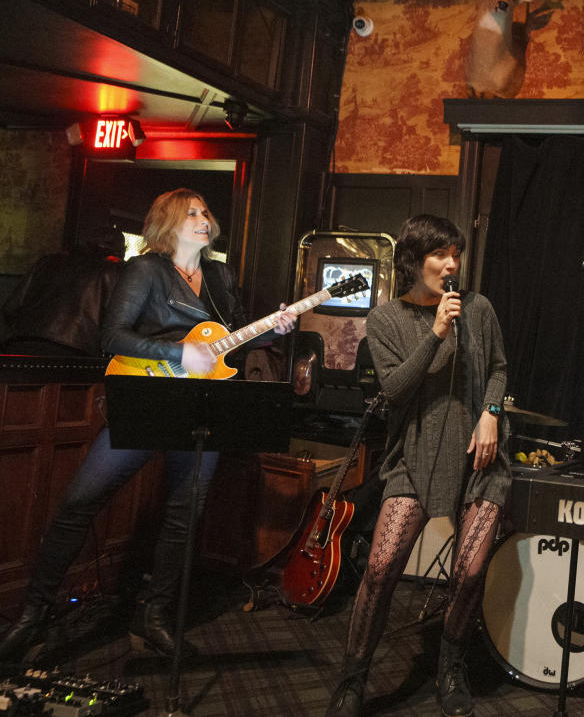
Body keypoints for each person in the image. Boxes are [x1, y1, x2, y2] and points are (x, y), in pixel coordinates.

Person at [0, 188, 296, 663]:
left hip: (202, 404)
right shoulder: (146, 270)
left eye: (205, 211)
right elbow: (112, 335)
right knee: (79, 503)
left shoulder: (221, 275)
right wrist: (178, 352)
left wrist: (272, 329)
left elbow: (227, 345)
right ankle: (32, 616)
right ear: (168, 223)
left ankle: (154, 617)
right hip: (147, 392)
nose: (203, 218)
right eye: (191, 212)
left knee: (186, 514)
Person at [324, 214, 508, 717]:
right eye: (440, 254)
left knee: (469, 575)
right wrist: (436, 331)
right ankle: (352, 678)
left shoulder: (480, 308)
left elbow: (498, 369)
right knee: (381, 569)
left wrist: (492, 413)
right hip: (416, 452)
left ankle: (450, 667)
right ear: (414, 260)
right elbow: (395, 389)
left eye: (456, 254)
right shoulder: (386, 320)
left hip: (479, 455)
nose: (452, 264)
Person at [0, 226, 125, 356]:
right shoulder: (116, 271)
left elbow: (11, 307)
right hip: (75, 352)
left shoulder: (47, 261)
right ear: (121, 251)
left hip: (20, 342)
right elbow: (118, 324)